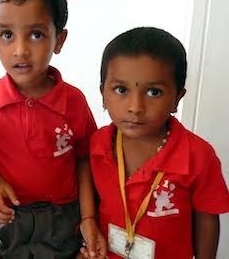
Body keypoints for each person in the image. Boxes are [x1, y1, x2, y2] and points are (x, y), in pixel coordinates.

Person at [0, 0, 106, 259]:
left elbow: (84, 160)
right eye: (7, 34)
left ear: (59, 39)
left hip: (64, 215)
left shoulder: (74, 101)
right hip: (13, 217)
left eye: (36, 34)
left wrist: (89, 219)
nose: (20, 50)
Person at [89, 26, 229, 258]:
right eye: (121, 89)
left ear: (177, 98)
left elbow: (206, 219)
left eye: (153, 92)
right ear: (103, 94)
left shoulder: (198, 155)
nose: (135, 107)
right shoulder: (98, 144)